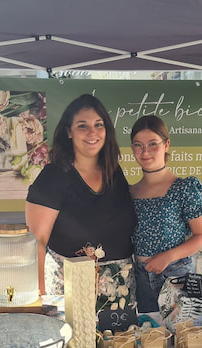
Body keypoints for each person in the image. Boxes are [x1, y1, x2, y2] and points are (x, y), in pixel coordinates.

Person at [25, 94, 136, 310]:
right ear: (69, 131)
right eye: (82, 126)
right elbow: (36, 242)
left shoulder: (114, 173)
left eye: (98, 124)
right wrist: (40, 300)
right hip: (70, 290)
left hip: (120, 292)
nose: (92, 132)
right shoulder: (53, 177)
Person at [129, 115, 202, 313]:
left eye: (152, 144)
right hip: (140, 277)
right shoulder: (130, 191)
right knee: (148, 330)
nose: (145, 151)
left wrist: (167, 257)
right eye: (138, 145)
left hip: (176, 275)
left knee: (184, 331)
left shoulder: (184, 187)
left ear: (166, 145)